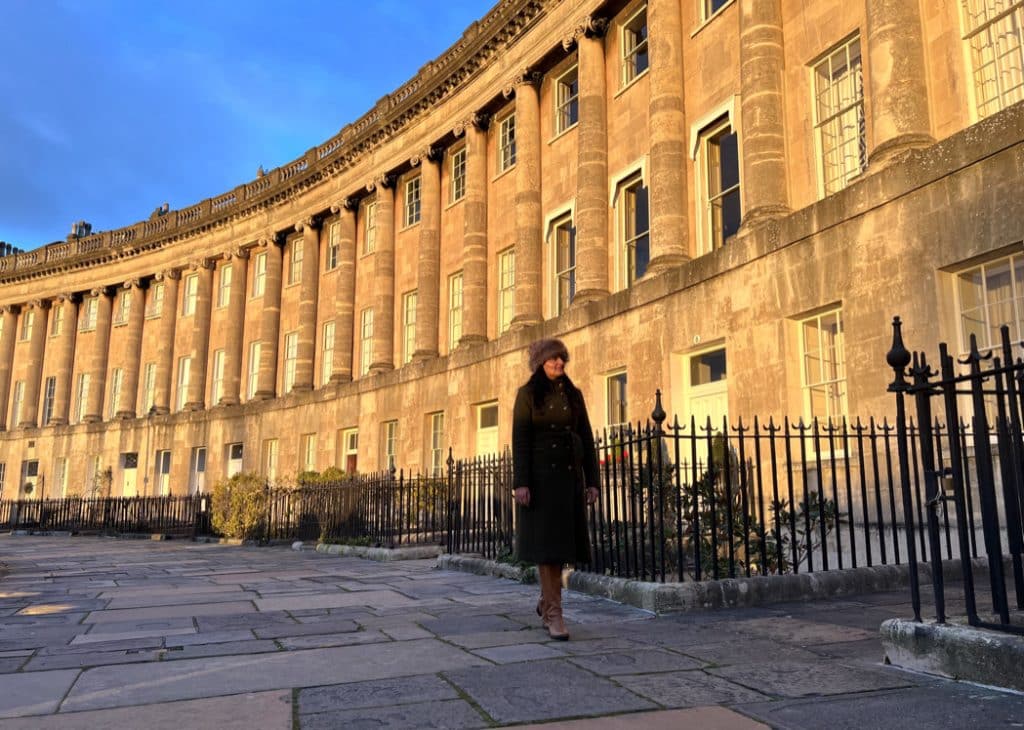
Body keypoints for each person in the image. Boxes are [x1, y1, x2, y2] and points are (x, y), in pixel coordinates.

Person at [512, 337, 600, 640]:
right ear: (540, 362)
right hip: (540, 482)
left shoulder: (574, 395)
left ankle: (546, 599)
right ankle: (554, 614)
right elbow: (520, 440)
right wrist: (521, 482)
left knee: (562, 548)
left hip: (568, 479)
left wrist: (592, 481)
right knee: (547, 551)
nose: (559, 363)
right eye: (553, 358)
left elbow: (587, 438)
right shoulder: (527, 395)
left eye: (562, 358)